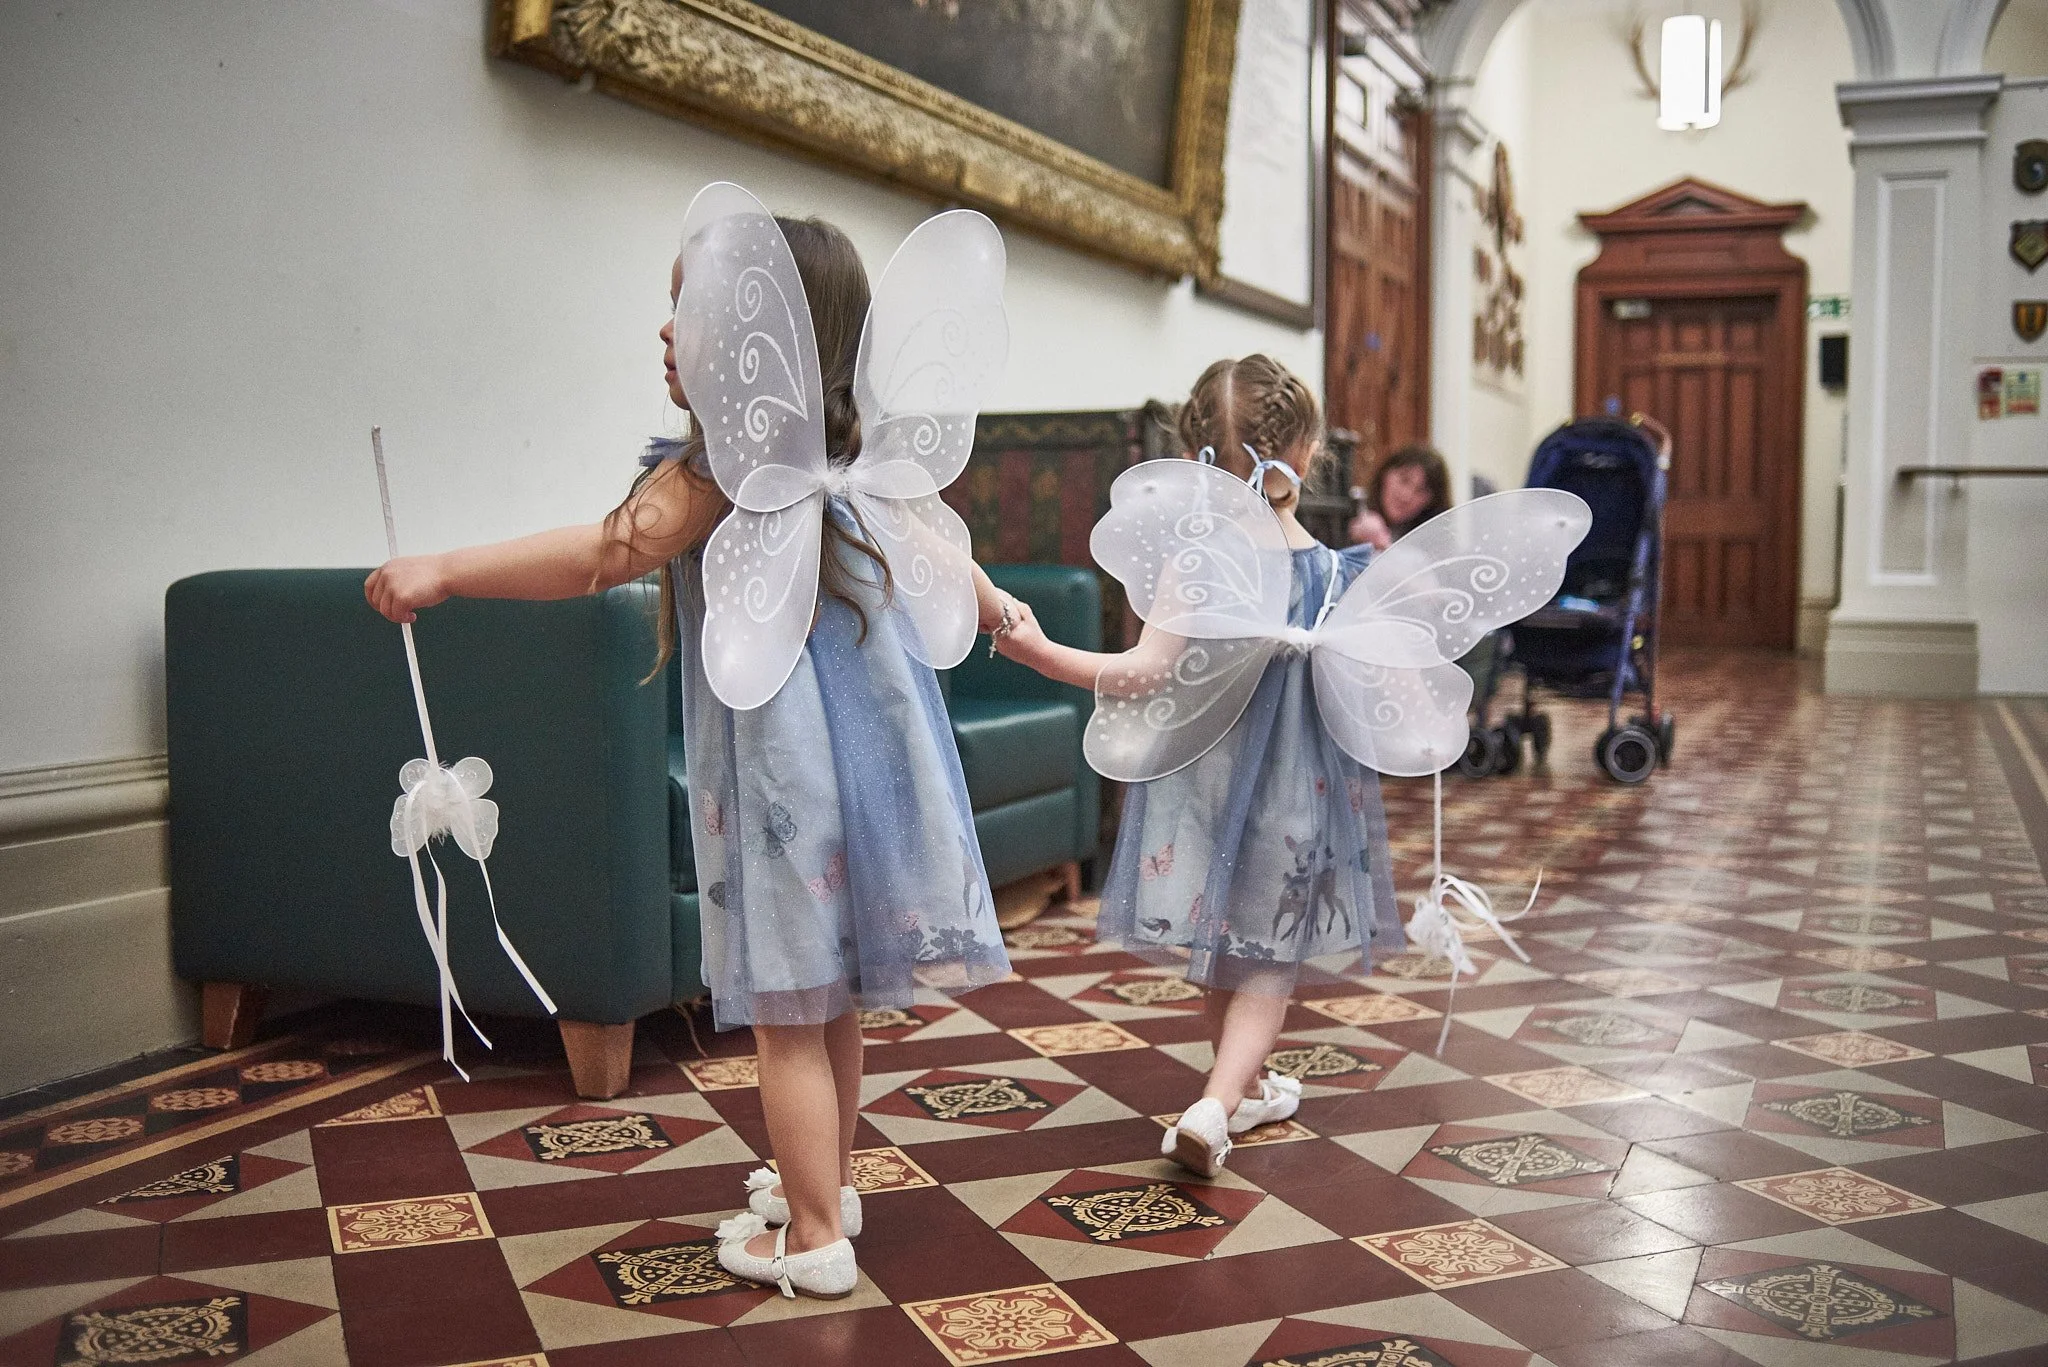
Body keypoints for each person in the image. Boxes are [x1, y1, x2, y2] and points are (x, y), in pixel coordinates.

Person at [366, 209, 1020, 1298]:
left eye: (694, 311)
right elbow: (949, 558)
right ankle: (829, 1183)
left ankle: (810, 1234)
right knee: (832, 997)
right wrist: (1000, 608)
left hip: (780, 787)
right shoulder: (865, 464)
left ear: (772, 334)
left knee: (785, 1013)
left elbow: (592, 554)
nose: (666, 332)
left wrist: (443, 567)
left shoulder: (723, 473)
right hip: (871, 782)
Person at [994, 355, 1401, 1176]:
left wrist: (1042, 656)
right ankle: (1217, 1102)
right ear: (1311, 448)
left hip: (1201, 781)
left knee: (1221, 935)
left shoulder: (1202, 560)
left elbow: (1143, 672)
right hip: (1296, 788)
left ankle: (1239, 1091)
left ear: (1192, 459)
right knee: (1267, 956)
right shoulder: (1330, 571)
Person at [1348, 443, 1452, 550]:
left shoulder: (1432, 549)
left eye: (1421, 490)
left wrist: (1384, 545)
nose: (1406, 496)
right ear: (1385, 473)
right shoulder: (1350, 511)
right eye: (1404, 480)